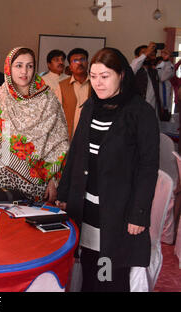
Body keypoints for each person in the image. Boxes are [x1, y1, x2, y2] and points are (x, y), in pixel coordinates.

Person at [56, 48, 159, 292]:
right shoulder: (91, 107)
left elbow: (148, 167)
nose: (98, 83)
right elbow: (76, 153)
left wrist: (139, 213)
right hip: (86, 205)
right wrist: (64, 192)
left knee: (111, 275)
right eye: (93, 76)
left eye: (105, 76)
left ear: (121, 75)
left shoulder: (140, 113)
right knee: (89, 267)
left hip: (119, 211)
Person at [0, 47, 69, 203]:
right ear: (9, 68)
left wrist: (55, 180)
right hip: (1, 176)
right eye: (18, 65)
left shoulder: (48, 98)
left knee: (31, 225)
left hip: (38, 181)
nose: (24, 71)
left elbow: (60, 142)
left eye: (30, 66)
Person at [130, 42, 174, 121]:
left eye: (149, 53)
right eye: (144, 53)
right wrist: (146, 52)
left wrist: (166, 60)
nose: (148, 55)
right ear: (137, 57)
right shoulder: (133, 70)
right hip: (137, 111)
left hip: (153, 111)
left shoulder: (154, 71)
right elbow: (133, 67)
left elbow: (166, 75)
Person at [58, 48, 91, 139]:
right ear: (70, 67)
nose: (79, 63)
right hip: (68, 136)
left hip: (90, 135)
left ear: (88, 63)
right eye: (75, 60)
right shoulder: (62, 86)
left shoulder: (96, 84)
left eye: (83, 59)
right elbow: (57, 113)